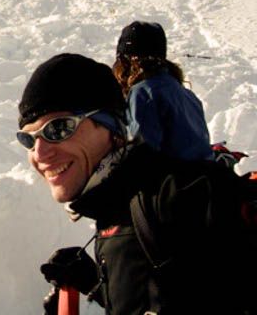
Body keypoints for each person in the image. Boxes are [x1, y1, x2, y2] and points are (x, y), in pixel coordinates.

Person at [17, 53, 252, 315]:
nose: (39, 153)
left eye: (58, 129)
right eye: (28, 139)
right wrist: (96, 284)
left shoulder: (178, 203)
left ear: (111, 127)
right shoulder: (116, 212)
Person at [113, 21, 213, 161]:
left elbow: (142, 154)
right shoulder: (187, 94)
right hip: (204, 176)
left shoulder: (144, 93)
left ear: (126, 60)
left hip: (177, 180)